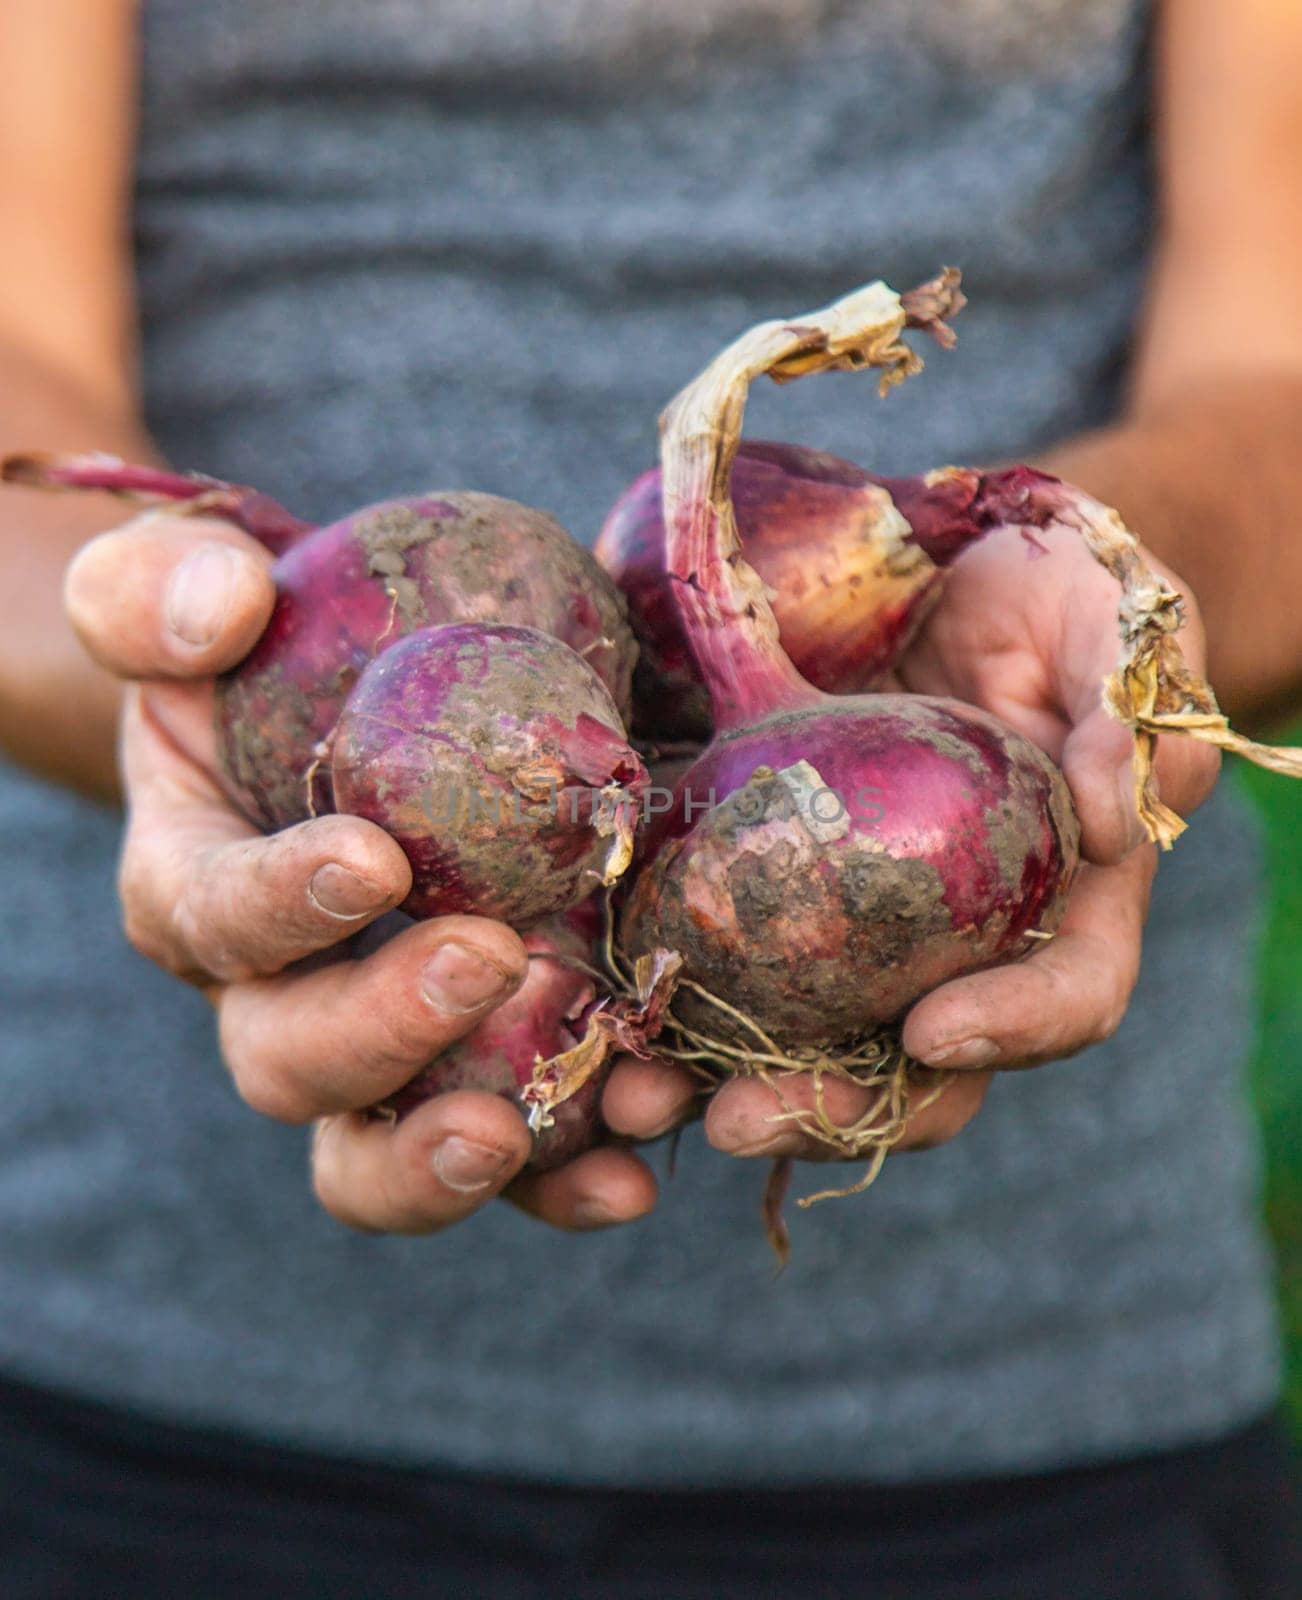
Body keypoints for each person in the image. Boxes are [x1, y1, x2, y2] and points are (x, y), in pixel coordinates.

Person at [1, 0, 1300, 1594]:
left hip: (1034, 1381)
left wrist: (1113, 593)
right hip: (150, 1341)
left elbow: (1277, 366)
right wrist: (189, 668)